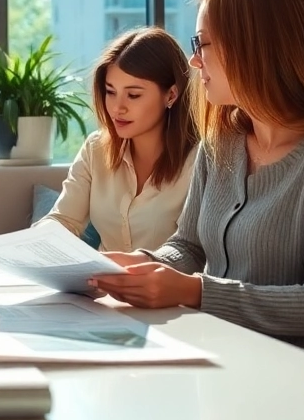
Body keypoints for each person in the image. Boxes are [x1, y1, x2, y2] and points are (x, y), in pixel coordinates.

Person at [89, 0, 304, 367]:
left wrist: (194, 291)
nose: (193, 60)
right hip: (215, 352)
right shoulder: (222, 142)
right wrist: (145, 264)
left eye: (202, 43)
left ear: (253, 48)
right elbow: (189, 246)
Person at [34, 26, 198, 251]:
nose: (117, 108)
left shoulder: (201, 159)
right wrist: (30, 244)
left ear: (171, 94)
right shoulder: (96, 149)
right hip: (101, 284)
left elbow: (194, 251)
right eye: (110, 91)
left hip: (166, 285)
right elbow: (63, 220)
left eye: (133, 95)